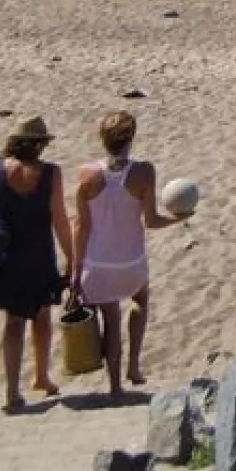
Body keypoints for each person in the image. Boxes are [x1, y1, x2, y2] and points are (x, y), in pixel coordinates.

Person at [70, 111, 186, 396]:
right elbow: (152, 221)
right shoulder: (144, 172)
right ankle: (133, 365)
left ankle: (115, 386)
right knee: (140, 301)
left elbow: (81, 228)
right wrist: (179, 219)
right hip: (130, 260)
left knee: (110, 320)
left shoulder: (86, 175)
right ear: (130, 138)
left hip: (96, 262)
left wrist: (75, 271)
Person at [0, 117, 72, 412]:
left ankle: (12, 391)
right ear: (39, 144)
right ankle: (42, 376)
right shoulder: (51, 173)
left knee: (13, 321)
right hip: (39, 253)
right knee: (43, 316)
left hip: (8, 256)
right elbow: (60, 219)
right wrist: (72, 257)